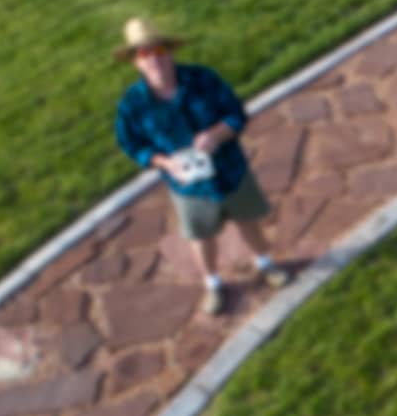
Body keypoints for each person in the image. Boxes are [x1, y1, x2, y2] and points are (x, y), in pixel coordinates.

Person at [113, 17, 290, 314]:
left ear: (170, 52)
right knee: (201, 236)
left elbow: (236, 114)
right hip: (187, 186)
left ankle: (266, 264)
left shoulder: (203, 79)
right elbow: (132, 144)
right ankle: (213, 284)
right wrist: (163, 163)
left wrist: (217, 135)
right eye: (145, 54)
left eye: (159, 51)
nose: (154, 59)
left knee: (248, 220)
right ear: (136, 63)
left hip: (231, 170)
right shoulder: (131, 105)